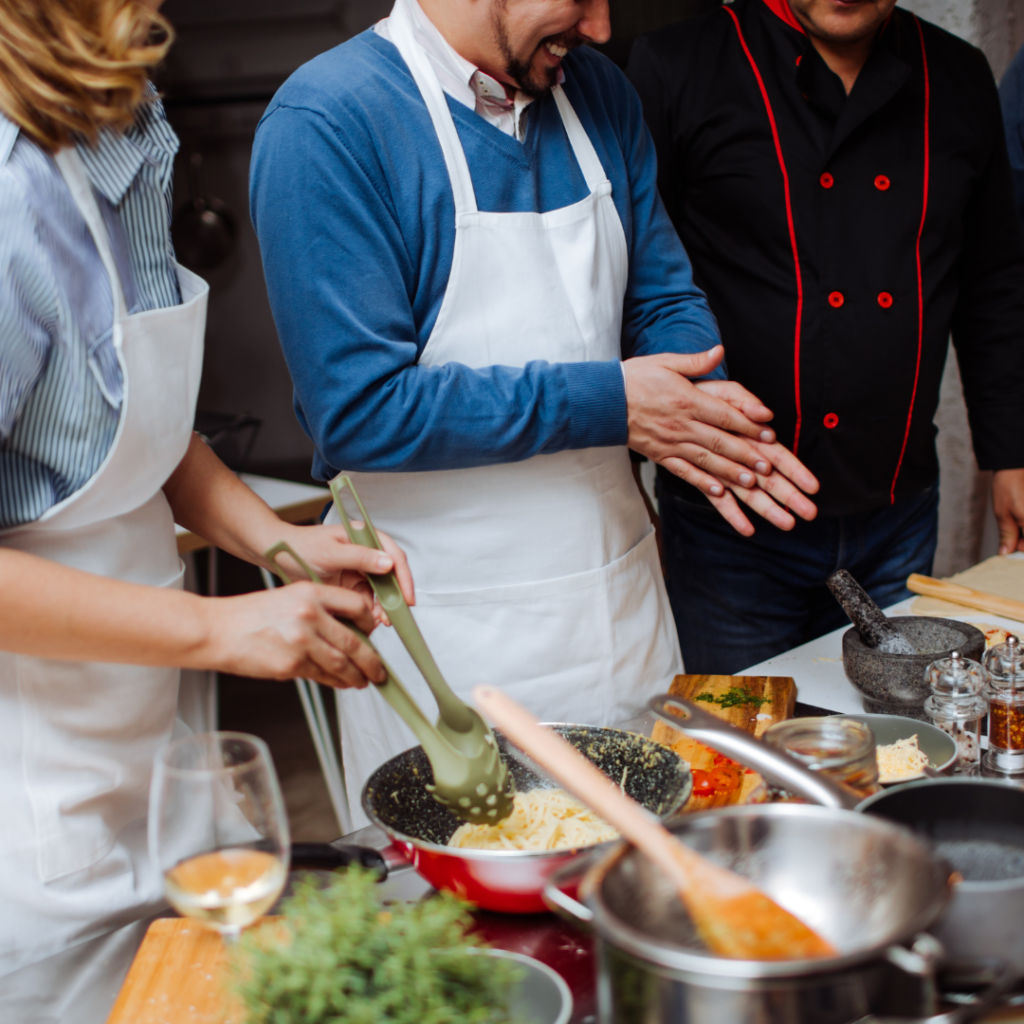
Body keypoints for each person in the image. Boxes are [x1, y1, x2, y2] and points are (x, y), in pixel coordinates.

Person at [250, 0, 820, 825]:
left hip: (620, 615)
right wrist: (616, 403)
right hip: (449, 645)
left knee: (645, 889)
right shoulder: (328, 123)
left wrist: (697, 403)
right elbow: (361, 410)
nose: (598, 27)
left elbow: (664, 300)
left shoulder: (600, 95)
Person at [0, 1, 413, 1019]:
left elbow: (132, 423)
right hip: (31, 796)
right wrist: (221, 625)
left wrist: (280, 545)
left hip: (151, 756)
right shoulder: (6, 197)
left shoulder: (122, 120)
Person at [627, 0, 1024, 674]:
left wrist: (1012, 454)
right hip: (733, 520)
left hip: (898, 510)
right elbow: (630, 280)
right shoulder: (678, 66)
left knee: (896, 746)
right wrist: (626, 482)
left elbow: (994, 283)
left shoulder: (958, 75)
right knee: (744, 757)